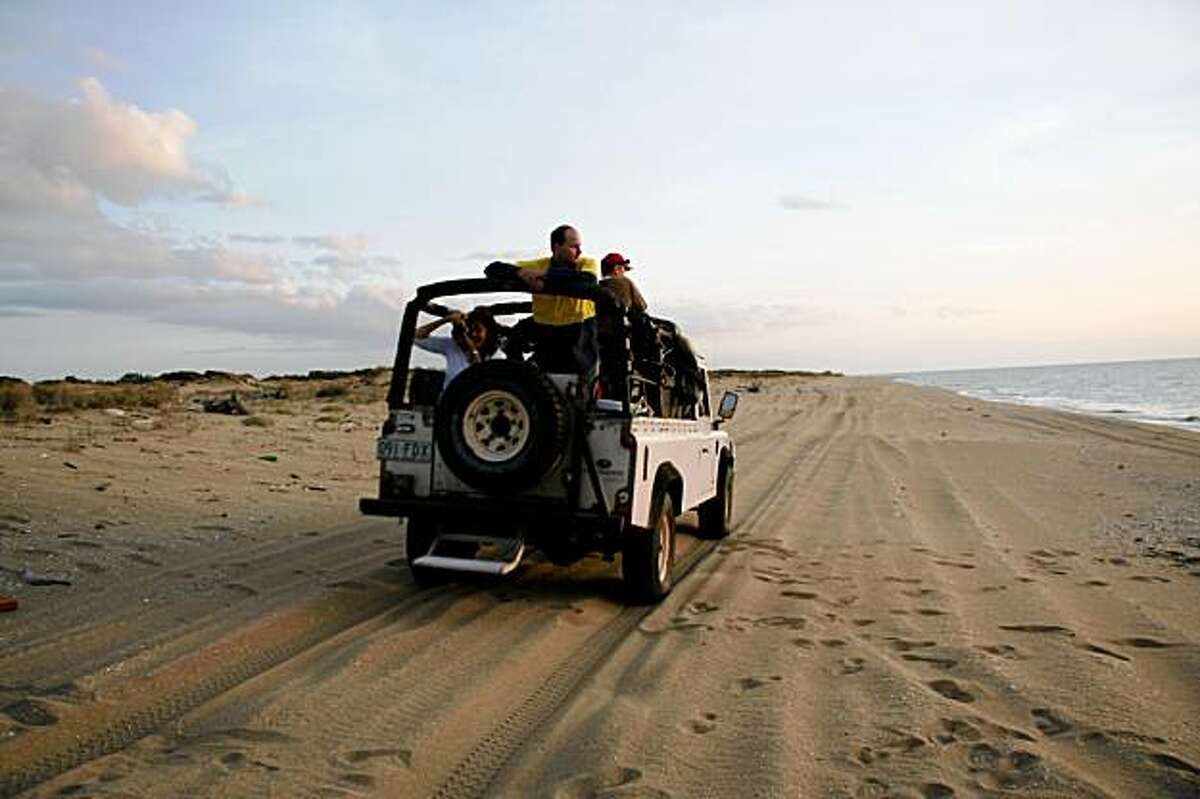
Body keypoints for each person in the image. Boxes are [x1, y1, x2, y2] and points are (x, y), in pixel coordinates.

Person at [512, 225, 600, 374]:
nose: (579, 251)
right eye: (573, 246)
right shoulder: (539, 264)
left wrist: (544, 275)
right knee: (513, 343)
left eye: (579, 246)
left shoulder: (585, 263)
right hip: (546, 336)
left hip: (579, 336)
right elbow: (493, 268)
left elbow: (589, 279)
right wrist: (520, 272)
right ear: (556, 247)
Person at [414, 307, 499, 384]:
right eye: (470, 330)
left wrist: (464, 336)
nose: (473, 334)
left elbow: (477, 364)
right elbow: (415, 337)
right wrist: (446, 320)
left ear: (489, 334)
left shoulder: (497, 357)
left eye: (478, 330)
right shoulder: (452, 345)